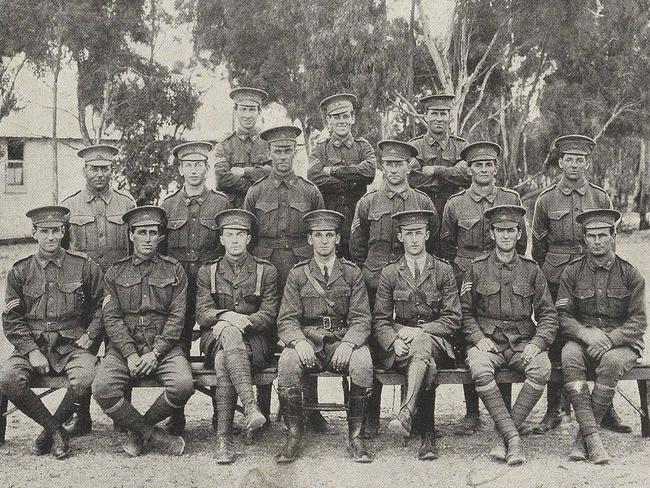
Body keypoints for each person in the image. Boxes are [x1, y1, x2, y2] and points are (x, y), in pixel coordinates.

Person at [531, 134, 626, 434]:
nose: (574, 165)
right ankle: (553, 409)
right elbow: (538, 247)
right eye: (568, 159)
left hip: (594, 275)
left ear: (587, 162)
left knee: (599, 333)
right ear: (560, 162)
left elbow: (610, 242)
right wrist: (550, 276)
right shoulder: (546, 199)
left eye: (579, 159)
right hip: (557, 278)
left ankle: (605, 408)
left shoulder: (600, 197)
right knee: (558, 338)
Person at [349, 139, 437, 437]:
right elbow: (357, 248)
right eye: (388, 164)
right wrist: (373, 273)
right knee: (375, 348)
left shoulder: (423, 202)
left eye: (399, 164)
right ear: (381, 166)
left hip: (412, 285)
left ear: (409, 166)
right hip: (375, 284)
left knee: (412, 343)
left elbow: (431, 244)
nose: (394, 169)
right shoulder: (368, 202)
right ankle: (371, 417)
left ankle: (411, 416)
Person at [0, 206, 103, 459]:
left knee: (88, 377)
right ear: (34, 232)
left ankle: (48, 433)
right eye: (44, 231)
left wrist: (90, 334)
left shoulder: (83, 266)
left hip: (72, 346)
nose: (50, 237)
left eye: (56, 231)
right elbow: (11, 320)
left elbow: (105, 305)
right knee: (8, 378)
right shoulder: (20, 271)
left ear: (63, 231)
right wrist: (32, 352)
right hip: (32, 345)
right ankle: (56, 430)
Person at [92, 206, 195, 457]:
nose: (148, 238)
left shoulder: (174, 270)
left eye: (153, 232)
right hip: (126, 346)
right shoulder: (115, 272)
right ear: (131, 235)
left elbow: (177, 317)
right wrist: (129, 354)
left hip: (164, 346)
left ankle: (138, 431)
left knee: (183, 385)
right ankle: (154, 435)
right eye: (142, 232)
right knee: (102, 388)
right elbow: (112, 317)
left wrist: (156, 353)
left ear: (160, 237)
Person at [244, 125, 327, 431]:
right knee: (265, 331)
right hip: (266, 270)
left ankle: (309, 409)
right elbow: (249, 236)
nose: (282, 156)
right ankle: (263, 409)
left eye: (288, 150)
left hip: (301, 268)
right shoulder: (256, 192)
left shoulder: (309, 191)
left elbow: (318, 229)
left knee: (306, 331)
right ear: (269, 153)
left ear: (296, 152)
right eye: (277, 151)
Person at [440, 141, 526, 435]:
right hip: (466, 274)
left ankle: (503, 414)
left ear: (496, 168)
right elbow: (446, 244)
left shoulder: (510, 198)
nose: (484, 169)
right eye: (478, 165)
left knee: (504, 332)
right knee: (470, 338)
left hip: (502, 272)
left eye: (489, 164)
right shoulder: (455, 203)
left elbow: (520, 241)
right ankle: (472, 413)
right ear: (470, 169)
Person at [461, 205, 558, 465]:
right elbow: (464, 312)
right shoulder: (476, 268)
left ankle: (505, 435)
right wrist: (478, 338)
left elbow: (548, 315)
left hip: (522, 341)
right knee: (479, 368)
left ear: (518, 234)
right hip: (487, 341)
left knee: (541, 368)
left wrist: (537, 343)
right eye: (500, 230)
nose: (506, 236)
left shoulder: (531, 270)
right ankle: (514, 439)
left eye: (511, 231)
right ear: (491, 234)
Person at [275, 210, 374, 464]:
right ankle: (294, 436)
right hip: (309, 340)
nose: (324, 241)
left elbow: (362, 318)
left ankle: (356, 438)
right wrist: (298, 342)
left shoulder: (352, 273)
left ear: (338, 239)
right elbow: (287, 319)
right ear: (309, 240)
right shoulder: (298, 275)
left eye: (329, 235)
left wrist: (350, 343)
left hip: (343, 338)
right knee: (287, 362)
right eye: (318, 236)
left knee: (362, 363)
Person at [557, 209, 646, 464]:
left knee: (611, 363)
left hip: (621, 344)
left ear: (613, 236)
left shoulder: (630, 274)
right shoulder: (572, 272)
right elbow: (563, 316)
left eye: (602, 235)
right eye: (591, 236)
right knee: (569, 355)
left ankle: (583, 439)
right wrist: (585, 334)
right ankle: (593, 441)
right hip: (584, 339)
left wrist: (608, 340)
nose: (597, 241)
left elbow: (639, 322)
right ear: (584, 238)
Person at [373, 210, 461, 460]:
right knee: (425, 362)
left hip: (437, 343)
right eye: (408, 234)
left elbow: (453, 319)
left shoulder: (443, 270)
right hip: (401, 348)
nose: (414, 239)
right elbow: (380, 319)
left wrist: (419, 331)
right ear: (400, 237)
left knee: (423, 344)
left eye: (418, 234)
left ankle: (408, 413)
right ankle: (427, 435)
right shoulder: (390, 273)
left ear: (427, 235)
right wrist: (393, 341)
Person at [60, 144, 136, 435]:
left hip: (121, 291)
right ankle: (82, 417)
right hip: (86, 294)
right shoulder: (71, 206)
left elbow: (134, 249)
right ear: (85, 170)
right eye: (94, 168)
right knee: (85, 350)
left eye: (105, 168)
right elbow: (66, 253)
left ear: (111, 170)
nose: (100, 174)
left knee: (120, 347)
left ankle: (122, 416)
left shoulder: (126, 204)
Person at [195, 209, 279, 464]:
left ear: (248, 238)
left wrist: (241, 322)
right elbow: (202, 313)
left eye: (239, 235)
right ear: (221, 239)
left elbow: (269, 314)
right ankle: (250, 407)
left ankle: (224, 440)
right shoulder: (207, 272)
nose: (234, 240)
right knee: (226, 339)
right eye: (228, 235)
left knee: (224, 360)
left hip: (256, 344)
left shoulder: (266, 271)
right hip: (214, 339)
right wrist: (225, 317)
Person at [160, 141, 230, 433]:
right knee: (178, 347)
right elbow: (161, 252)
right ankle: (177, 414)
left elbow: (225, 248)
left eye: (198, 165)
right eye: (187, 165)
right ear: (180, 169)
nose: (193, 171)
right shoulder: (167, 206)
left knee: (215, 347)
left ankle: (219, 410)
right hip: (177, 288)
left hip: (210, 288)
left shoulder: (221, 204)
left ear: (206, 168)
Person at [307, 93, 376, 258]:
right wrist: (353, 181)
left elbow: (370, 171)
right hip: (329, 214)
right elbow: (314, 176)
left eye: (346, 116)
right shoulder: (320, 149)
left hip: (357, 215)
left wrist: (333, 170)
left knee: (357, 258)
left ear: (352, 118)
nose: (341, 121)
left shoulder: (363, 147)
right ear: (328, 121)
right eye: (336, 117)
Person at [408, 93, 469, 220]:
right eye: (434, 113)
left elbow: (469, 175)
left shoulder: (462, 146)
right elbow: (411, 178)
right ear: (426, 116)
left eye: (443, 114)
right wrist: (451, 178)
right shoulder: (414, 146)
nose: (439, 119)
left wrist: (437, 171)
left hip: (455, 211)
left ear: (450, 117)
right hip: (421, 210)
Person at [214, 87, 271, 208]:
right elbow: (221, 180)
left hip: (264, 208)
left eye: (252, 110)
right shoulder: (224, 144)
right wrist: (257, 182)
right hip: (233, 209)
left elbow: (273, 174)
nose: (247, 115)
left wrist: (244, 172)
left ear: (259, 112)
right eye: (243, 109)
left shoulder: (268, 142)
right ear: (235, 111)